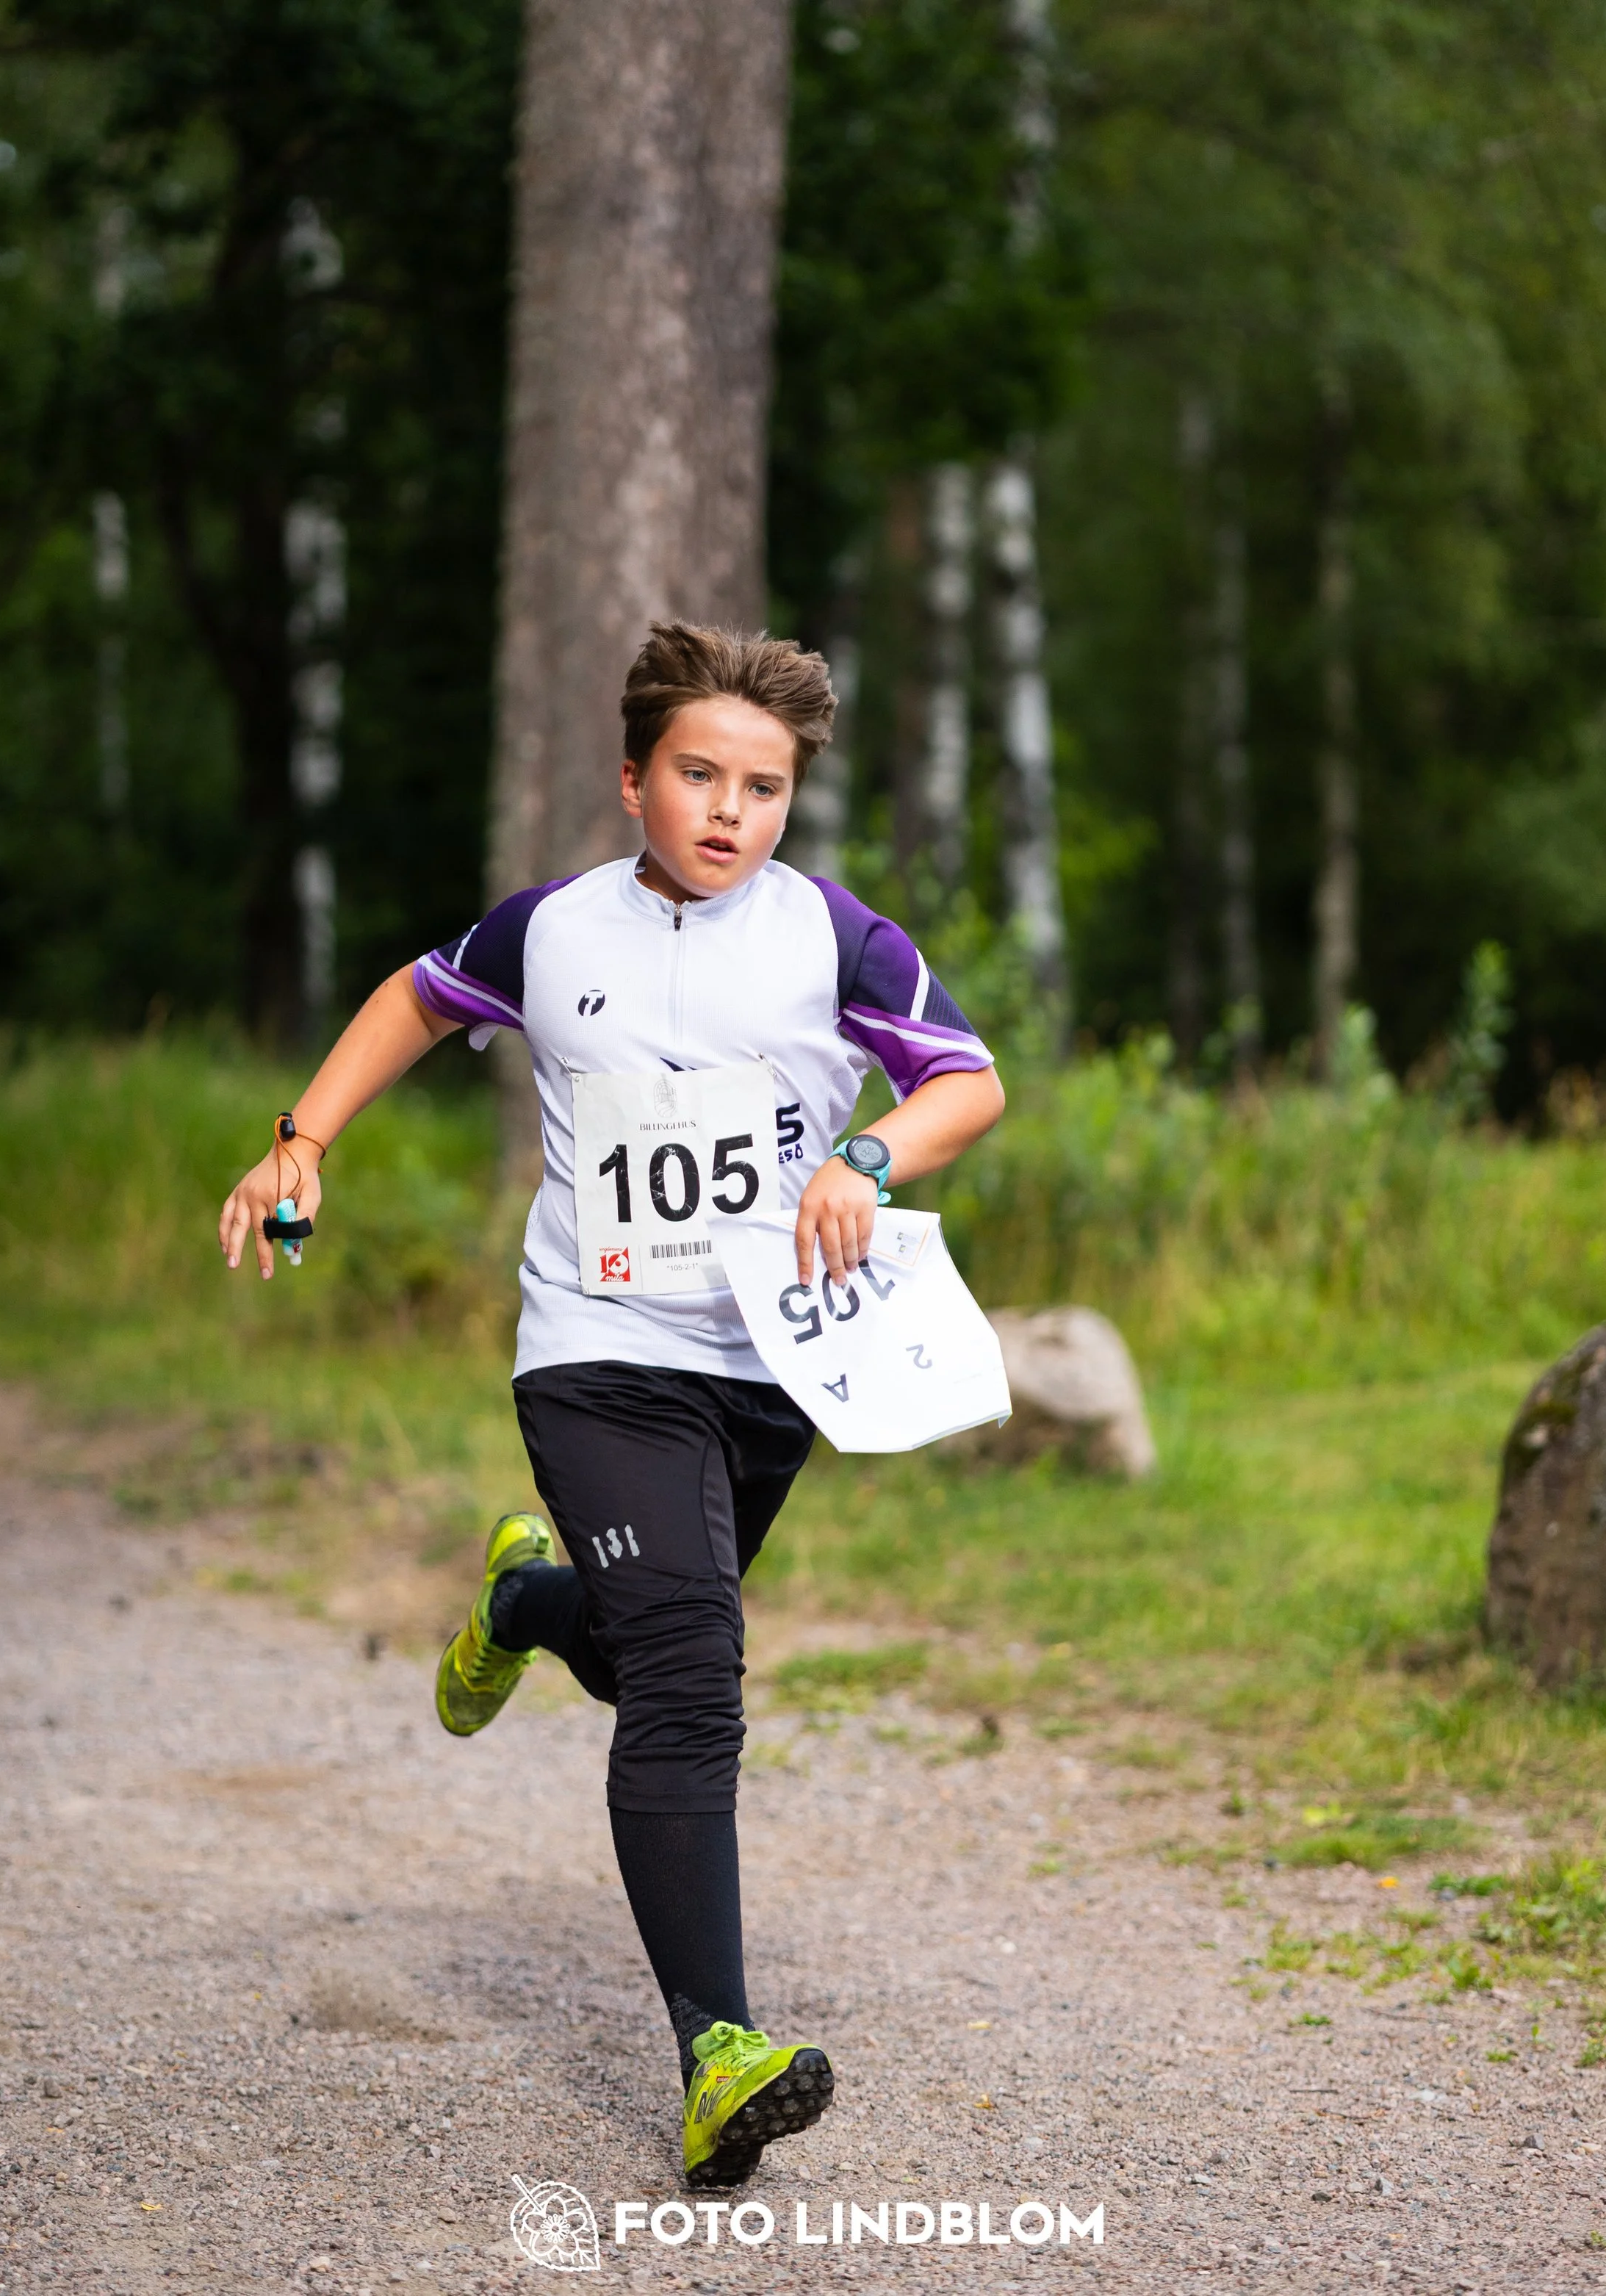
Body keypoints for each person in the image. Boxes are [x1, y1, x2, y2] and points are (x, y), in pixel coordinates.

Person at [217, 622, 1006, 2187]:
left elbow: (963, 1078)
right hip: (591, 1346)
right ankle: (717, 2051)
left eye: (764, 786)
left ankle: (523, 1592)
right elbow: (418, 999)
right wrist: (301, 1135)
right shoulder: (551, 930)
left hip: (770, 1360)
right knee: (694, 1667)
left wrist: (863, 1159)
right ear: (633, 777)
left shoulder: (836, 938)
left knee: (654, 1629)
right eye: (700, 775)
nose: (729, 810)